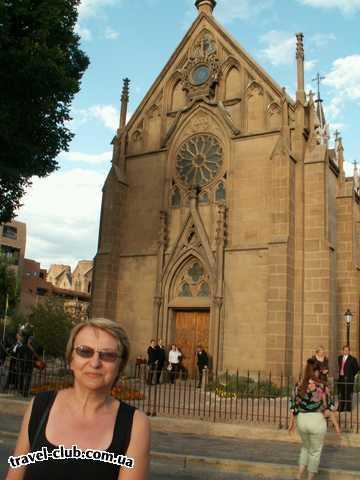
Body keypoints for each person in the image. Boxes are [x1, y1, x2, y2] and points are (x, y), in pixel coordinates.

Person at [6, 318, 150, 480]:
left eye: (108, 355)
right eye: (84, 351)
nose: (95, 363)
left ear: (120, 365)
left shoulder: (134, 423)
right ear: (71, 360)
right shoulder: (40, 406)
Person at [289, 358, 340, 480]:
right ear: (317, 371)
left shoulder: (299, 385)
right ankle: (309, 478)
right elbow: (330, 407)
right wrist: (337, 425)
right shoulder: (321, 386)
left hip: (302, 420)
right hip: (316, 420)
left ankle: (299, 475)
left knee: (305, 448)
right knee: (315, 452)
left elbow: (293, 407)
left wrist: (292, 424)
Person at [337, 344, 359, 412]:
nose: (346, 351)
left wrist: (351, 375)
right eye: (344, 350)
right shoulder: (340, 358)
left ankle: (348, 408)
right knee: (342, 393)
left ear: (349, 351)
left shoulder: (352, 359)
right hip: (341, 377)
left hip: (349, 378)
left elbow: (356, 369)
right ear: (343, 351)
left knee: (348, 393)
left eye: (347, 350)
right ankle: (341, 407)